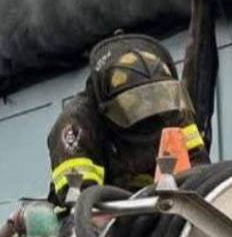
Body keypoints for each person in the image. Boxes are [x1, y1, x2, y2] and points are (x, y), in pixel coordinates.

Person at [47, 28, 214, 206]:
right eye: (136, 103)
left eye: (156, 98)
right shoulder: (76, 124)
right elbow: (81, 199)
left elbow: (198, 166)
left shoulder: (171, 109)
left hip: (161, 210)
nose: (149, 110)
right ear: (107, 104)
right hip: (101, 215)